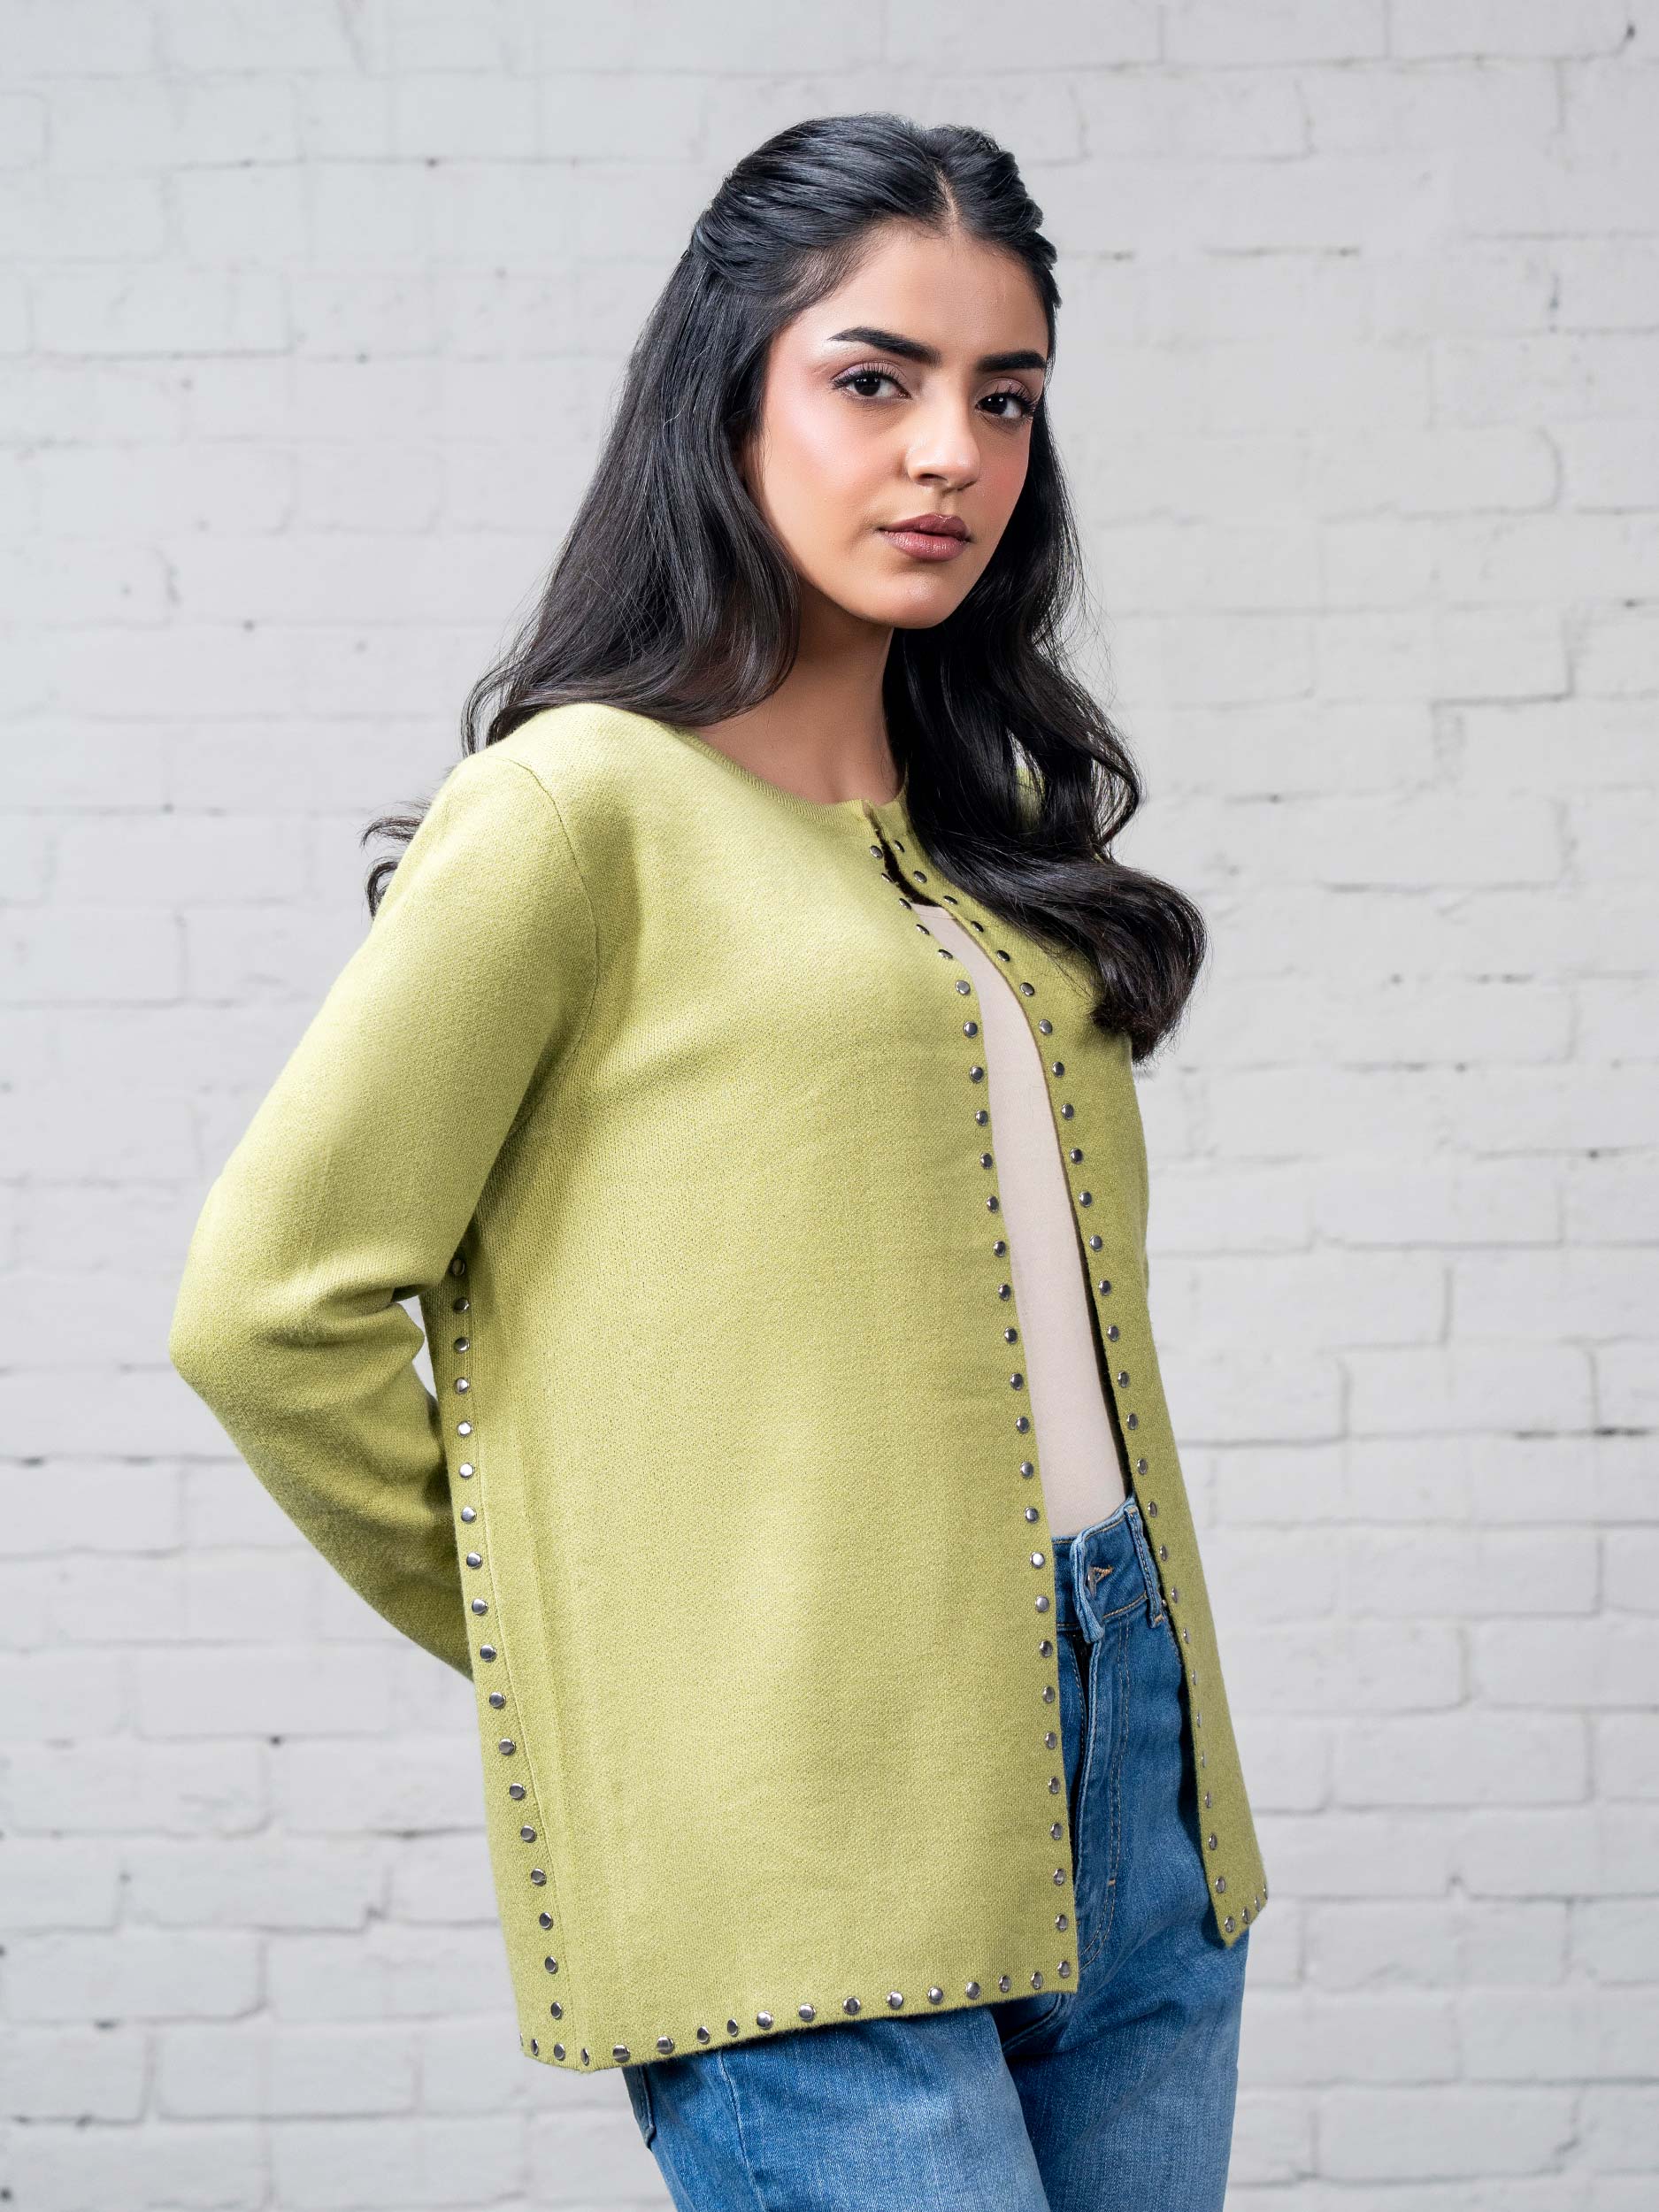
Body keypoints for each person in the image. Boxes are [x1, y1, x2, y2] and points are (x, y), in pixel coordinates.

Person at [169, 112, 1265, 2212]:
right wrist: (610, 1645)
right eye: (873, 378)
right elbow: (263, 1306)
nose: (946, 451)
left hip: (1139, 1776)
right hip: (802, 1820)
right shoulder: (574, 809)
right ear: (728, 395)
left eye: (1002, 396)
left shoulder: (992, 832)